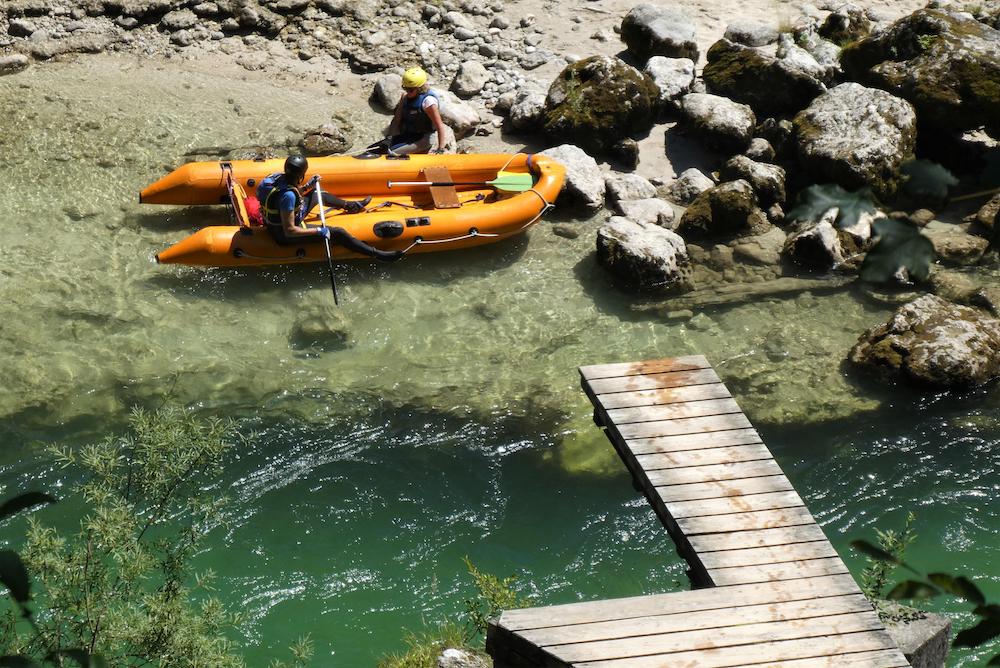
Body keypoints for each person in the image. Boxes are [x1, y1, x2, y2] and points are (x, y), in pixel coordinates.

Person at [257, 155, 402, 261]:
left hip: (279, 221)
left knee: (317, 193)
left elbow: (286, 195)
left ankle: (351, 206)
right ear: (301, 174)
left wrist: (308, 186)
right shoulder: (288, 196)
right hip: (284, 234)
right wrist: (320, 230)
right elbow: (290, 231)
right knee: (338, 233)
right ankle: (377, 254)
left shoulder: (274, 179)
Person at [383, 67, 455, 156]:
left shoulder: (428, 102)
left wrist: (440, 149)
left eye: (411, 90)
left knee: (390, 153)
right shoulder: (404, 97)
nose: (407, 92)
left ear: (420, 88)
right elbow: (396, 120)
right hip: (408, 135)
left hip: (423, 139)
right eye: (405, 88)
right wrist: (389, 138)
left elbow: (439, 126)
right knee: (382, 148)